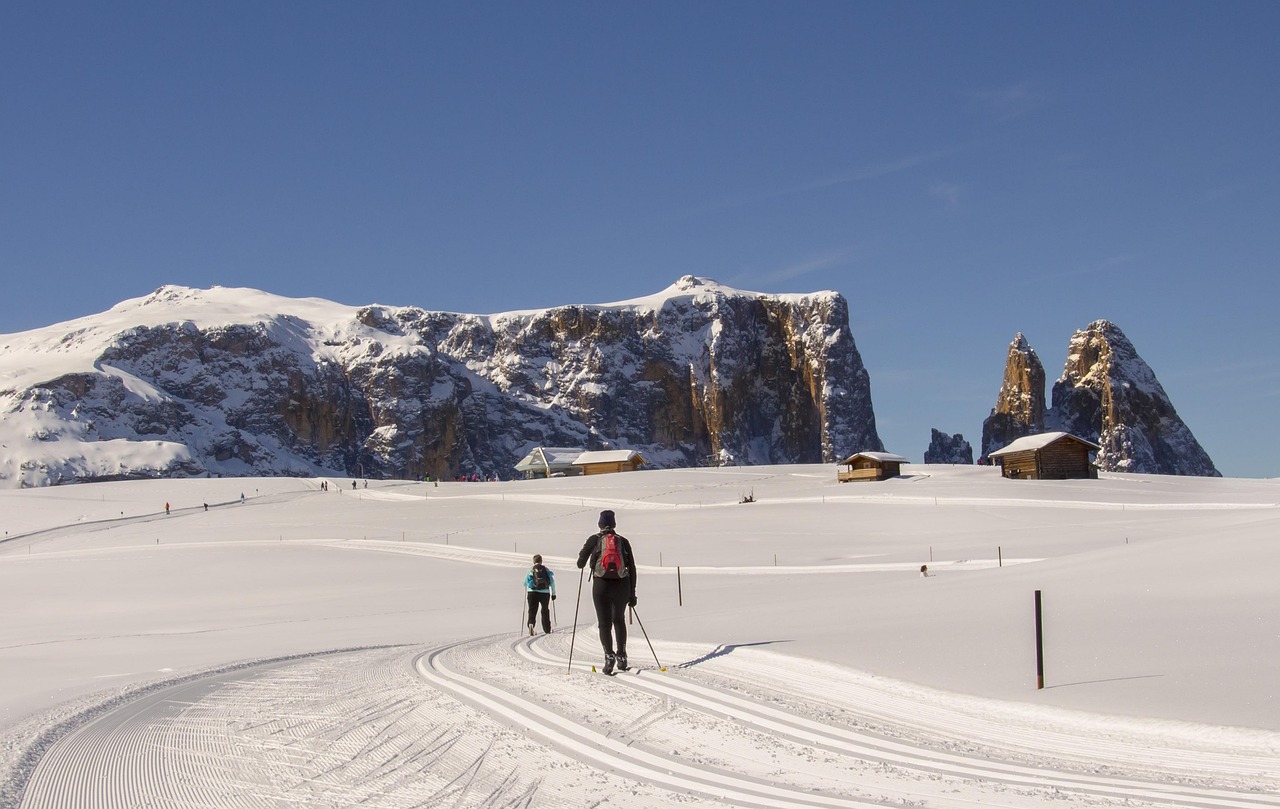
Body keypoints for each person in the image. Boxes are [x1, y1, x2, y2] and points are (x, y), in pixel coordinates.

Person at [576, 509, 637, 675]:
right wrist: (632, 593)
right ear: (615, 524)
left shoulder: (594, 540)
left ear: (600, 524)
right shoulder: (623, 541)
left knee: (604, 623)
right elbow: (632, 567)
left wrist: (586, 555)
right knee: (619, 619)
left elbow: (580, 564)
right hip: (622, 584)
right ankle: (622, 656)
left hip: (601, 585)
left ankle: (609, 656)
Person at [524, 554, 557, 635]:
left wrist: (529, 588)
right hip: (545, 593)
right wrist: (553, 594)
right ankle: (547, 629)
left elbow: (525, 583)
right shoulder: (545, 569)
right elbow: (552, 582)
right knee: (545, 610)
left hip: (532, 592)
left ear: (533, 561)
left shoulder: (530, 570)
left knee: (532, 610)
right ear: (541, 561)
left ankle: (531, 624)